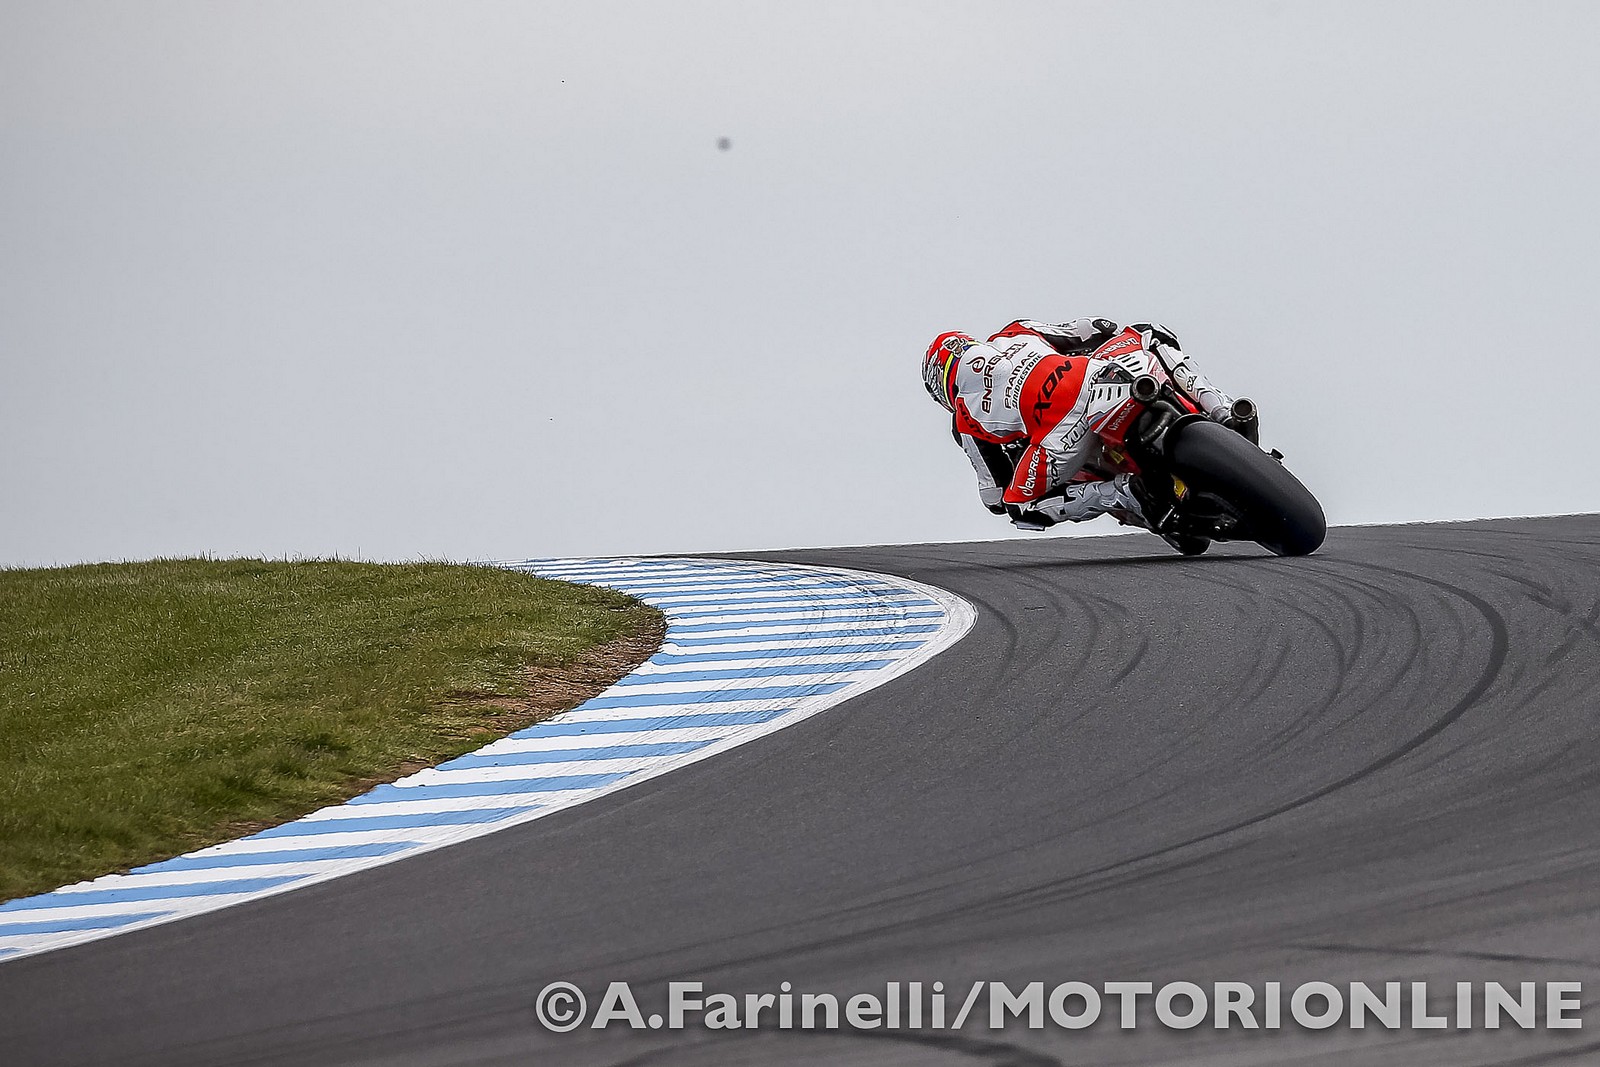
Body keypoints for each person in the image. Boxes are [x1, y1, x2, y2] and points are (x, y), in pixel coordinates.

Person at [922, 318, 1256, 532]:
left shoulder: (964, 418)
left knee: (1019, 507)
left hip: (1063, 433)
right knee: (1149, 334)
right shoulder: (1015, 332)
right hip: (1099, 379)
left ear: (941, 388)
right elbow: (1096, 328)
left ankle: (1124, 492)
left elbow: (993, 495)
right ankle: (1225, 410)